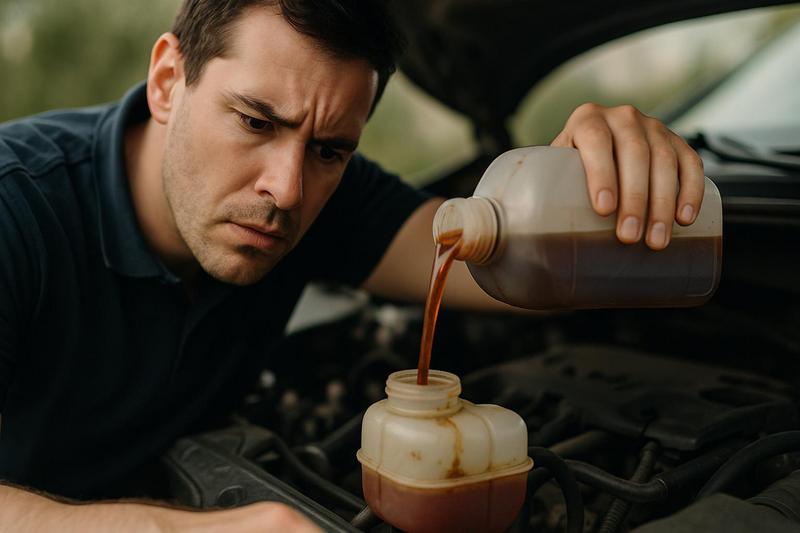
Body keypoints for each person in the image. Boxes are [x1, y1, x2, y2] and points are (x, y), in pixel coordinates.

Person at [0, 0, 706, 531]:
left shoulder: (325, 193)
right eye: (255, 121)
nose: (288, 190)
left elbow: (491, 259)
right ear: (165, 80)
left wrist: (598, 183)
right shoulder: (17, 209)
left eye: (331, 148)